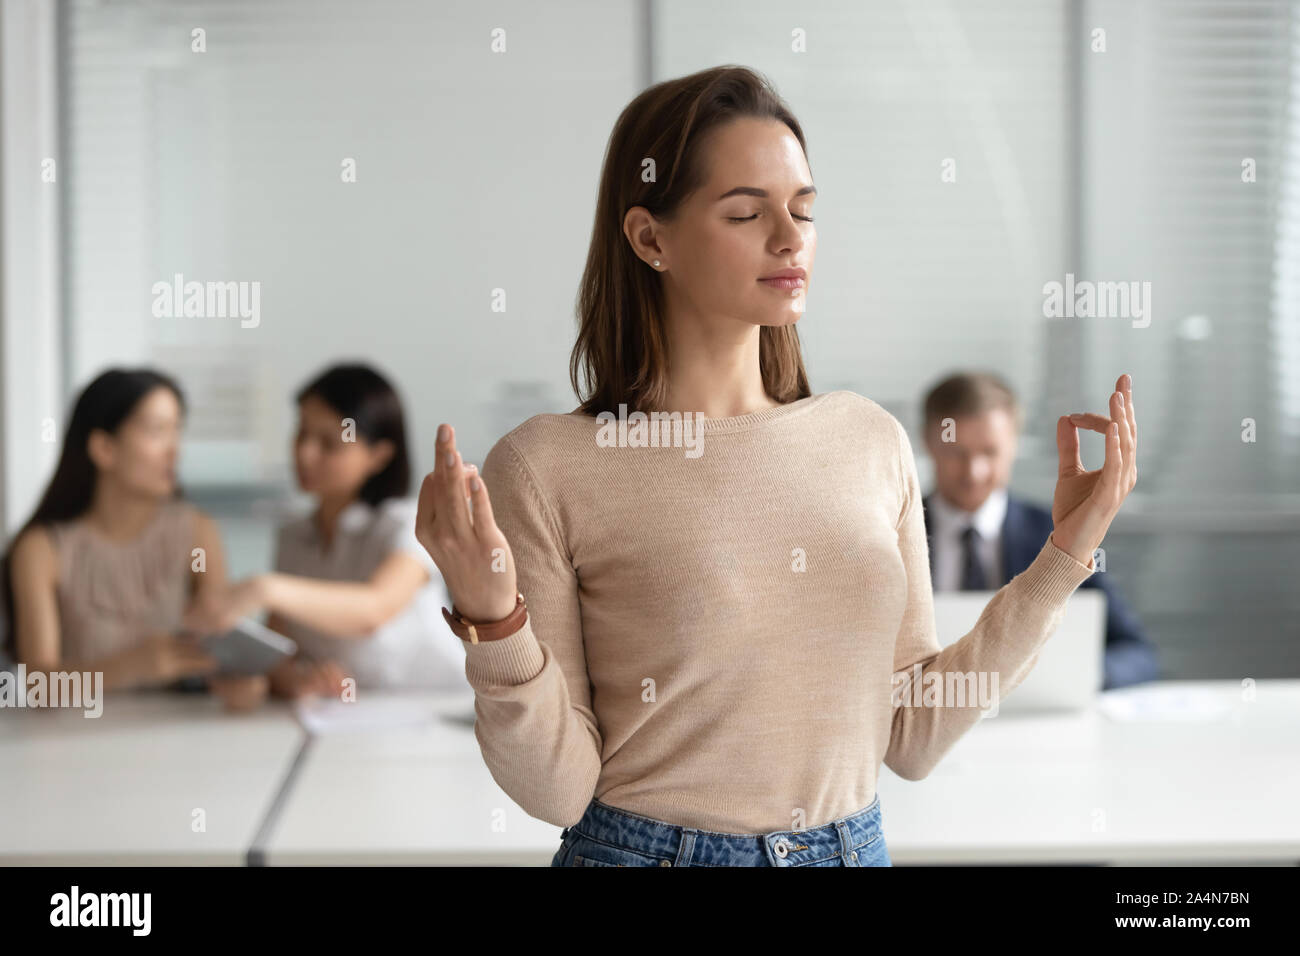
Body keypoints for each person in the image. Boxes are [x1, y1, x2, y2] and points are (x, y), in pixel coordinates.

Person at [414, 65, 1139, 868]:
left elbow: (912, 735)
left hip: (851, 849)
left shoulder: (869, 441)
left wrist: (1062, 558)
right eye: (745, 213)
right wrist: (492, 620)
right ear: (650, 238)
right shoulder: (548, 466)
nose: (790, 238)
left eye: (803, 210)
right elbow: (557, 789)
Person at [183, 363, 465, 697]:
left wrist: (264, 588)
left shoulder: (408, 524)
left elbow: (374, 610)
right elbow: (280, 655)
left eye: (329, 443)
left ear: (378, 455)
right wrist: (301, 681)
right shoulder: (293, 537)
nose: (304, 453)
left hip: (439, 713)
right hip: (350, 718)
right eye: (301, 433)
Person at [2, 368, 264, 711]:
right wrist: (129, 667)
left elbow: (224, 649)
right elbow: (39, 686)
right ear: (104, 448)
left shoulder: (197, 533)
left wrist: (244, 683)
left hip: (181, 742)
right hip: (68, 747)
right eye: (157, 432)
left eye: (177, 431)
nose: (175, 451)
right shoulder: (42, 550)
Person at [919, 371, 1159, 690]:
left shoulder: (1058, 532)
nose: (973, 472)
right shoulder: (891, 534)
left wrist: (1077, 675)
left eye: (989, 452)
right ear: (927, 443)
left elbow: (1137, 653)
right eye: (956, 453)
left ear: (1014, 445)